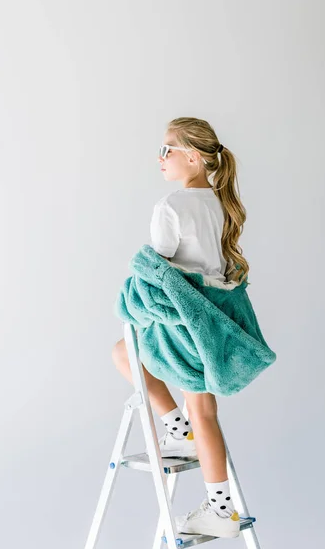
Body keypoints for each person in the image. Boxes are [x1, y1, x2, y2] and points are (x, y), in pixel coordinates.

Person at [112, 116, 251, 539]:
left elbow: (158, 267)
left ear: (193, 155)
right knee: (206, 413)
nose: (160, 157)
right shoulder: (223, 203)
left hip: (183, 323)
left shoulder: (172, 205)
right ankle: (221, 505)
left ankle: (178, 431)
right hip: (213, 322)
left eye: (167, 149)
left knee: (124, 352)